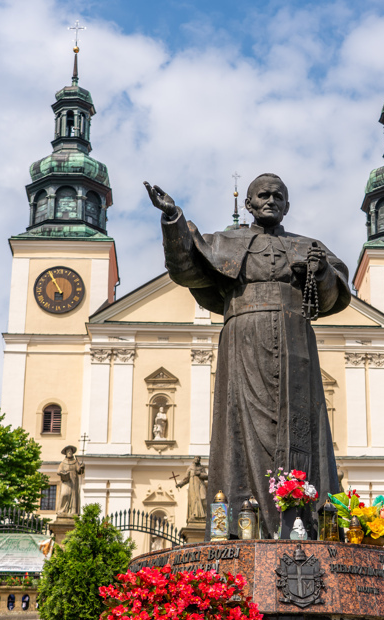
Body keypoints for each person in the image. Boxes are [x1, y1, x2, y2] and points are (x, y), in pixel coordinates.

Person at [145, 174, 350, 538]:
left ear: (287, 205)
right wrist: (173, 218)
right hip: (243, 339)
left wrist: (318, 273)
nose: (270, 200)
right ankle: (238, 526)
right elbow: (185, 267)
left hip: (296, 342)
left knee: (300, 423)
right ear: (249, 204)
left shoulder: (309, 246)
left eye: (278, 196)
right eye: (263, 195)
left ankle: (307, 522)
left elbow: (332, 295)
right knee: (239, 426)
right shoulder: (226, 242)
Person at [56, 446, 85, 516]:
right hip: (66, 480)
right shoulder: (63, 463)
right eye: (68, 451)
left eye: (70, 451)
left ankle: (72, 511)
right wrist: (63, 473)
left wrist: (82, 467)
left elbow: (79, 471)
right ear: (65, 453)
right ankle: (62, 510)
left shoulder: (75, 462)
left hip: (74, 480)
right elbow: (58, 471)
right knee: (64, 494)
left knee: (73, 496)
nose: (69, 452)